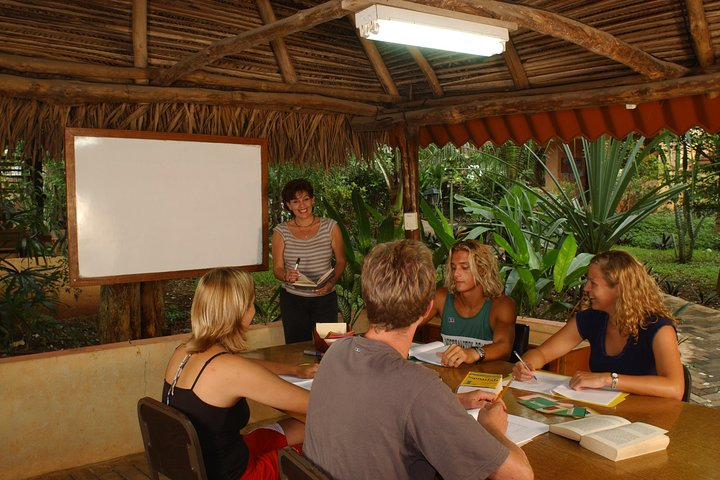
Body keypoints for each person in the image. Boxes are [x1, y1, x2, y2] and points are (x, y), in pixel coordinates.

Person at [304, 240, 533, 480]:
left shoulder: (336, 353)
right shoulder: (419, 387)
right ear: (427, 309)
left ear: (368, 298)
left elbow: (386, 399)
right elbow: (519, 475)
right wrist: (491, 427)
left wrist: (450, 401)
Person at [163, 267, 318, 480]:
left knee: (300, 426)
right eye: (252, 303)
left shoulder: (183, 351)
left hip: (203, 464)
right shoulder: (230, 369)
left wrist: (294, 370)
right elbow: (314, 405)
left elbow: (246, 367)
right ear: (241, 311)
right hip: (239, 474)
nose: (253, 310)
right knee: (322, 442)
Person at [512, 250, 685, 400]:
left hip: (646, 421)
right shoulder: (592, 318)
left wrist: (608, 379)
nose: (586, 288)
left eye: (593, 283)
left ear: (618, 288)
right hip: (603, 414)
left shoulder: (659, 328)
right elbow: (542, 353)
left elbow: (675, 388)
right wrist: (526, 364)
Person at [272, 178, 346, 344]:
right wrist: (285, 275)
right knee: (296, 347)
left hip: (325, 297)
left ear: (313, 200)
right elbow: (277, 269)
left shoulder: (330, 226)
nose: (302, 205)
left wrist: (331, 282)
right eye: (295, 201)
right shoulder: (281, 231)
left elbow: (341, 261)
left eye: (305, 199)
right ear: (288, 205)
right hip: (293, 300)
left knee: (329, 346)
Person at [427, 239, 517, 367]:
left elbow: (504, 347)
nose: (456, 274)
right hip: (448, 375)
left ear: (483, 269)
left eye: (464, 267)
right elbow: (411, 322)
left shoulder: (502, 305)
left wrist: (473, 353)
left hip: (485, 380)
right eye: (453, 268)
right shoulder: (441, 297)